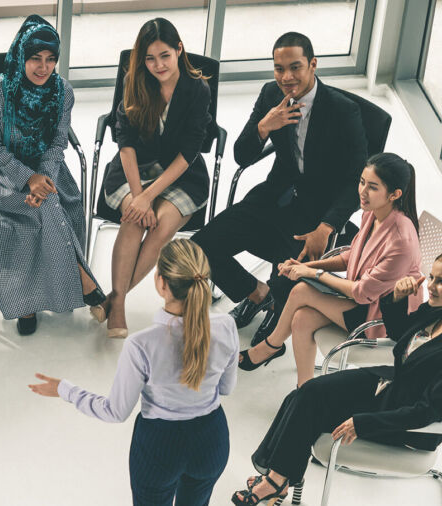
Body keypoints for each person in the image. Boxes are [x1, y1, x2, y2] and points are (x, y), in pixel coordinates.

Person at [191, 31, 368, 346]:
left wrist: (328, 226)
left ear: (312, 65)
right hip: (275, 196)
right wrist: (264, 126)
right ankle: (260, 295)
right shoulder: (271, 95)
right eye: (279, 68)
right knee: (200, 247)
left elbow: (357, 177)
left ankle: (278, 304)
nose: (286, 77)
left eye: (295, 67)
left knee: (287, 274)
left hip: (317, 213)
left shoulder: (342, 110)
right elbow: (242, 155)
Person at [30, 239, 238, 506]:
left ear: (161, 283)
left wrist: (65, 390)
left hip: (160, 448)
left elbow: (115, 412)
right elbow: (226, 388)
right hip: (212, 440)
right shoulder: (227, 326)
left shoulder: (141, 344)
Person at [231, 259, 442, 506]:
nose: (432, 286)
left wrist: (363, 423)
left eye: (441, 282)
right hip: (390, 385)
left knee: (309, 407)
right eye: (432, 277)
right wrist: (396, 298)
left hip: (405, 421)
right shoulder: (435, 310)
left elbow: (428, 412)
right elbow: (399, 334)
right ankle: (280, 478)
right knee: (306, 392)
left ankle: (277, 480)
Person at [0, 14, 103, 336]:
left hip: (45, 168)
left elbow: (56, 143)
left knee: (51, 206)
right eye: (35, 59)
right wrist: (27, 179)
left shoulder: (63, 92)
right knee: (34, 215)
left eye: (51, 60)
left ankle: (51, 292)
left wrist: (42, 178)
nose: (43, 68)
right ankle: (74, 288)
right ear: (21, 57)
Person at [239, 153, 422, 387]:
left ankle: (269, 347)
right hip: (362, 300)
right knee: (301, 319)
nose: (362, 192)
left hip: (382, 318)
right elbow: (351, 256)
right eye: (362, 182)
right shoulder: (373, 213)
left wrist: (312, 273)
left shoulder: (401, 240)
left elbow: (362, 292)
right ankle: (304, 389)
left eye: (373, 187)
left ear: (395, 194)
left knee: (301, 291)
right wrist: (307, 265)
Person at [93, 18, 212, 339]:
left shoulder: (197, 89)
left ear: (179, 50)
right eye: (149, 58)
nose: (157, 65)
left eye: (164, 56)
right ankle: (117, 306)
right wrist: (138, 194)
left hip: (181, 173)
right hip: (134, 170)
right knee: (134, 219)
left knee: (159, 226)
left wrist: (149, 196)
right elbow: (125, 143)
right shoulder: (135, 81)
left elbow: (189, 152)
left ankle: (114, 298)